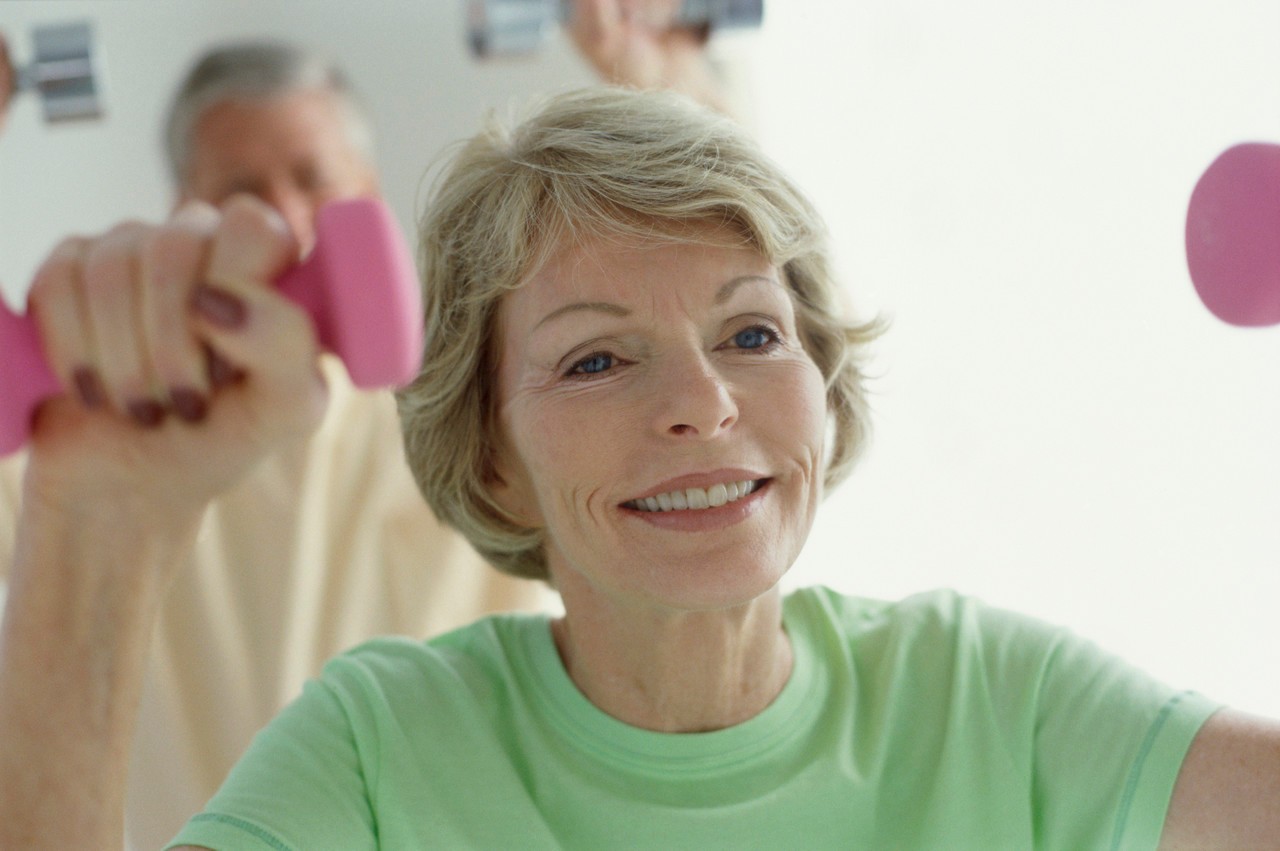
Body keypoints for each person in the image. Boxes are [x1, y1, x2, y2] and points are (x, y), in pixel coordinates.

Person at [3, 85, 1278, 850]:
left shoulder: (983, 694)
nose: (705, 403)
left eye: (750, 332)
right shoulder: (382, 748)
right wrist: (98, 526)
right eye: (597, 361)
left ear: (821, 394)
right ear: (492, 459)